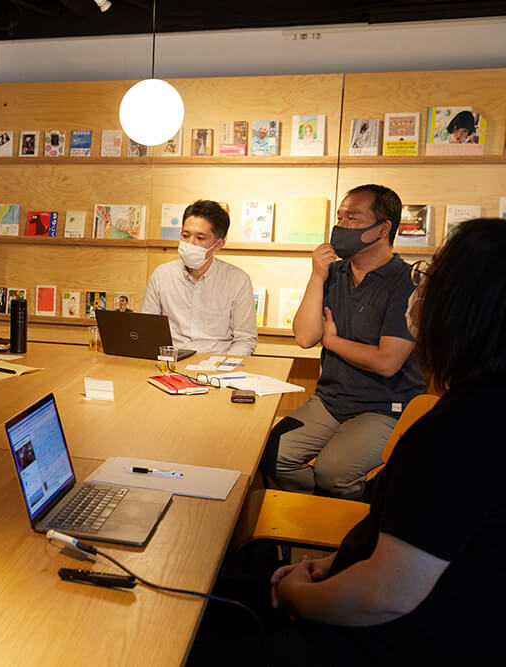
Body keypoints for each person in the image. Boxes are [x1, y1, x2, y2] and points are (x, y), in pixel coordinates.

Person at [191, 218, 506, 666]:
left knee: (194, 630)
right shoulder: (475, 409)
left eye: (430, 277)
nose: (419, 289)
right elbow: (409, 543)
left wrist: (297, 596)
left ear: (464, 305)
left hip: (387, 638)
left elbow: (385, 595)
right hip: (370, 590)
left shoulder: (462, 431)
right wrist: (331, 565)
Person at [263, 184, 425, 499]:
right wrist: (317, 276)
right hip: (329, 401)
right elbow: (305, 337)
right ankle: (320, 510)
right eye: (339, 217)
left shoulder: (407, 281)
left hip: (385, 408)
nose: (340, 226)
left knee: (333, 472)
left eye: (352, 218)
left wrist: (333, 341)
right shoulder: (332, 273)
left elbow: (387, 362)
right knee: (273, 453)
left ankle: (352, 521)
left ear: (383, 229)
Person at [141, 200, 257, 355]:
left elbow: (245, 341)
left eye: (200, 238)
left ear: (218, 244)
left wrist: (225, 366)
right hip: (170, 362)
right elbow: (146, 330)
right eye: (185, 235)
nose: (190, 243)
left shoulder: (238, 281)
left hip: (216, 363)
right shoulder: (161, 275)